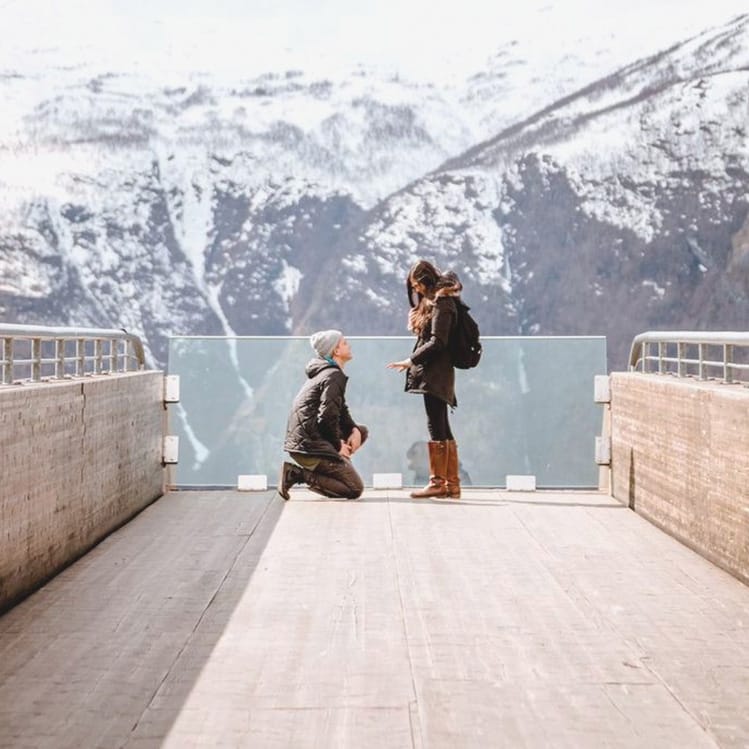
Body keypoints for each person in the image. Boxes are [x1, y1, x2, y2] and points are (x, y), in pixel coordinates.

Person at [387, 260, 463, 499]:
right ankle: (451, 484)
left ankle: (439, 482)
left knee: (436, 425)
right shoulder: (440, 301)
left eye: (416, 284)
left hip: (436, 373)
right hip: (438, 372)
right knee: (441, 425)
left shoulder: (442, 302)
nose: (416, 289)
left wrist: (411, 360)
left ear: (425, 280)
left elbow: (437, 342)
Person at [279, 329, 368, 500]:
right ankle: (296, 474)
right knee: (354, 489)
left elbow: (339, 409)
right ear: (336, 351)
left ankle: (338, 467)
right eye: (344, 343)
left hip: (308, 439)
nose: (348, 345)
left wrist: (354, 429)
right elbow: (327, 417)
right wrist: (338, 445)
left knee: (361, 432)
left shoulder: (327, 372)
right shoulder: (333, 375)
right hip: (308, 447)